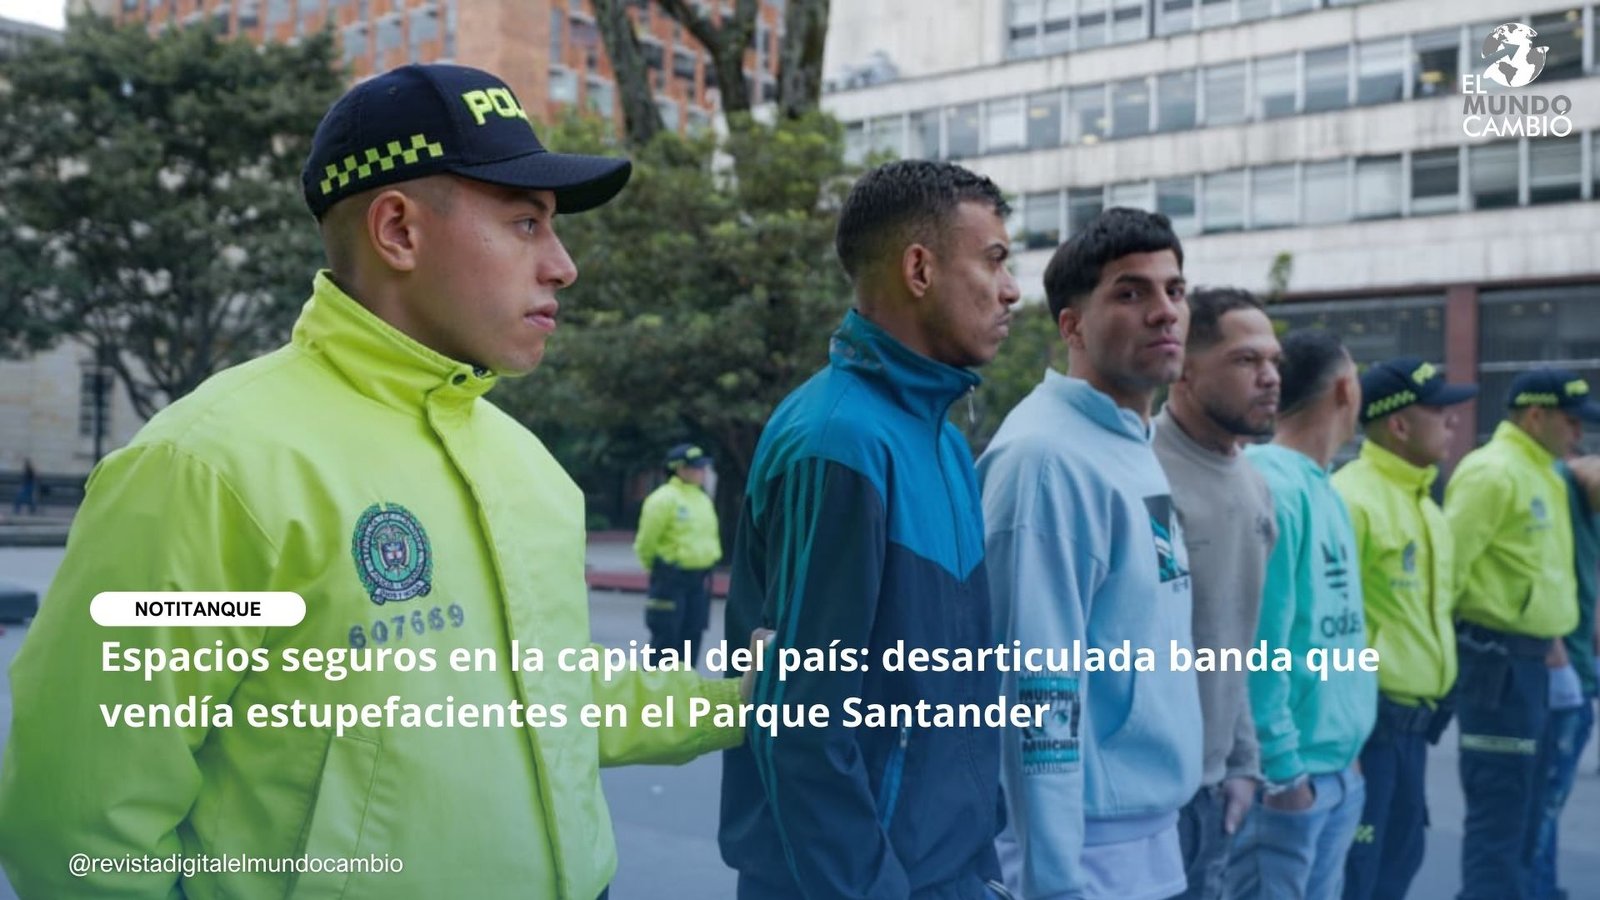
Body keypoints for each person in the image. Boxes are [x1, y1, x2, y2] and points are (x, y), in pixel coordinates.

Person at [0, 64, 753, 900]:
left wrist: (744, 697)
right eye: (526, 223)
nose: (564, 266)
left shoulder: (527, 466)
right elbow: (80, 824)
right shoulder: (208, 466)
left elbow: (550, 694)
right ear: (398, 230)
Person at [719, 159, 1020, 900]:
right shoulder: (838, 440)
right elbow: (803, 726)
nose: (1012, 289)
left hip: (945, 872)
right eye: (994, 260)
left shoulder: (942, 439)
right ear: (919, 267)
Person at [980, 207, 1201, 900]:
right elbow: (1034, 692)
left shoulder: (1127, 443)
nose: (1164, 312)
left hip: (1151, 839)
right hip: (1083, 858)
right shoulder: (1047, 459)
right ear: (1071, 325)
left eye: (1175, 290)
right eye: (1130, 293)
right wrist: (1052, 882)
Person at [1229, 330, 1376, 900]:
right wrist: (1285, 773)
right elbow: (1258, 648)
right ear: (1345, 389)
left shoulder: (1325, 487)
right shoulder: (1272, 486)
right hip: (1290, 783)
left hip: (1336, 773)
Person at [1445, 368, 1596, 900]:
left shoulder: (1544, 472)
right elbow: (1448, 574)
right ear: (1537, 415)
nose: (1579, 435)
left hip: (1535, 666)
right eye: (1573, 423)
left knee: (1528, 818)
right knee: (1501, 821)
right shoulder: (1493, 473)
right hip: (1497, 664)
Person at [1151, 286, 1281, 900]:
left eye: (1273, 361)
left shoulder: (1256, 486)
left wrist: (1243, 765)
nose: (1269, 377)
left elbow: (1237, 644)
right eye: (1246, 361)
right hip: (1144, 803)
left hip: (1216, 793)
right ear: (1185, 367)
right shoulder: (1142, 470)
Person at [1332, 357, 1478, 900]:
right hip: (1369, 731)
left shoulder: (1426, 505)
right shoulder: (1352, 499)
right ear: (1397, 424)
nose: (1453, 423)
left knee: (1398, 866)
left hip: (1414, 732)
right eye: (1439, 411)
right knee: (1358, 877)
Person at [1531, 454, 1600, 900]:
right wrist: (1557, 655)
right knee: (1540, 809)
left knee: (1546, 809)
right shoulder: (1558, 483)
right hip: (1560, 674)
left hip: (1576, 670)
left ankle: (1543, 887)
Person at [635, 442, 721, 666]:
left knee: (691, 642)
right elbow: (646, 541)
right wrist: (658, 570)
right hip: (671, 579)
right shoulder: (663, 499)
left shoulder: (702, 499)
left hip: (699, 581)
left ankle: (683, 697)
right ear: (680, 469)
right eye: (696, 468)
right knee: (665, 643)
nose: (702, 472)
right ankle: (654, 698)